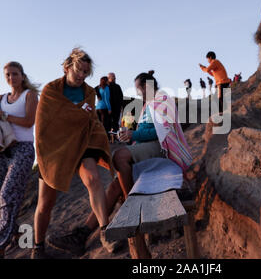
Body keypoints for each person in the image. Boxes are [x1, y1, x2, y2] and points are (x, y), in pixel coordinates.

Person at [46, 70, 192, 256]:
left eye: (140, 89)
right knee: (115, 185)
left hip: (161, 149)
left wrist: (134, 135)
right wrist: (130, 137)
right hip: (147, 147)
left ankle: (131, 204)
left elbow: (162, 132)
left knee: (119, 157)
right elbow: (145, 132)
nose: (139, 93)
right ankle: (83, 234)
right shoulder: (149, 104)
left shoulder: (162, 100)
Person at [32, 48, 115, 259]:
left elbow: (89, 119)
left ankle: (106, 231)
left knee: (93, 178)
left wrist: (87, 121)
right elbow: (45, 126)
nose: (82, 76)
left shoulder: (89, 92)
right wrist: (79, 113)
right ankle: (38, 246)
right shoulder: (51, 90)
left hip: (81, 142)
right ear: (68, 67)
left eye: (86, 72)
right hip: (55, 149)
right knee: (45, 203)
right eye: (79, 70)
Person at [0, 61, 39, 258]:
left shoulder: (29, 95)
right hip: (1, 149)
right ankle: (16, 231)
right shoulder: (0, 98)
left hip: (23, 149)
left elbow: (30, 121)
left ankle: (0, 248)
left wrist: (2, 114)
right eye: (7, 75)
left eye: (14, 74)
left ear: (22, 75)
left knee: (8, 194)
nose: (11, 78)